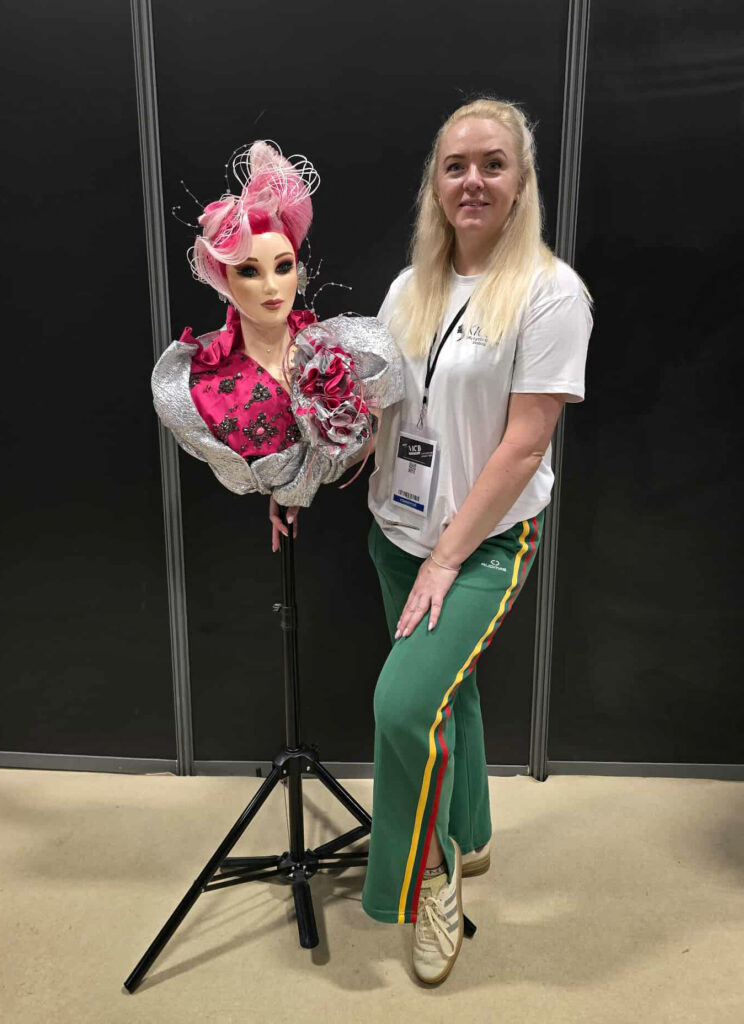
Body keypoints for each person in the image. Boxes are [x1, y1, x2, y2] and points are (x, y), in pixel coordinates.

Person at [270, 96, 593, 985]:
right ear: (436, 183)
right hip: (396, 531)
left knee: (406, 708)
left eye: (492, 164)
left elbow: (525, 443)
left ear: (521, 180)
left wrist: (448, 559)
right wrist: (301, 479)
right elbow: (377, 413)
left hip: (480, 547)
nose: (472, 181)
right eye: (456, 166)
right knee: (453, 696)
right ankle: (472, 835)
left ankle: (428, 881)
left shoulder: (552, 293)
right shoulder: (408, 288)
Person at [152, 141, 402, 508]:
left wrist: (301, 487)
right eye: (249, 271)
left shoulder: (348, 350)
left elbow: (380, 424)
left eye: (283, 267)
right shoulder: (205, 391)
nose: (271, 287)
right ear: (225, 282)